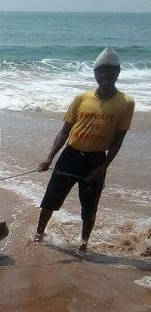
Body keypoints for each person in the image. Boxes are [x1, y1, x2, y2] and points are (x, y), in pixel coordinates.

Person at [35, 46, 135, 251]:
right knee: (50, 199)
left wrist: (103, 168)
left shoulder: (126, 103)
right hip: (70, 155)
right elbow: (64, 131)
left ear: (118, 72)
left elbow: (118, 140)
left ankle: (83, 245)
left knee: (89, 208)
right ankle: (39, 234)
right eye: (101, 71)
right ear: (95, 74)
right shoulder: (81, 98)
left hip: (96, 160)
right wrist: (49, 158)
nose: (105, 75)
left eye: (110, 71)